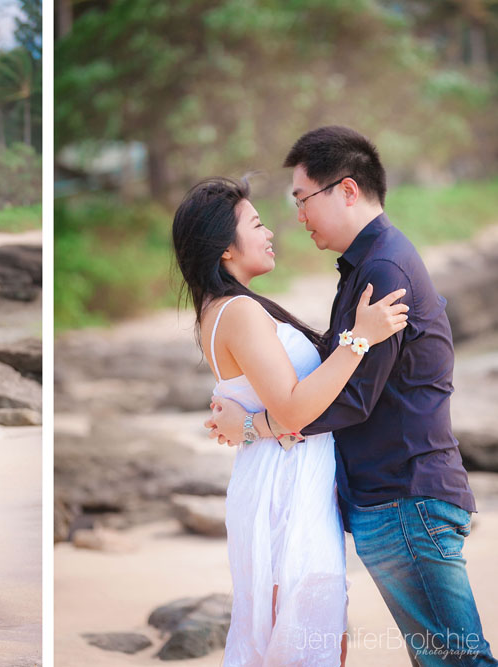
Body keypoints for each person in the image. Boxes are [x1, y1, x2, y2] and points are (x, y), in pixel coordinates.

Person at [207, 126, 496, 665]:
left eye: (301, 200)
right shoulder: (367, 265)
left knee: (458, 660)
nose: (297, 217)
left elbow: (353, 399)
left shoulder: (382, 268)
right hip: (397, 495)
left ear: (344, 190)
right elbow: (335, 363)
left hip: (405, 496)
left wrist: (252, 426)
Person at [172, 176, 408, 665]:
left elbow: (276, 408)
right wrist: (359, 339)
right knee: (302, 640)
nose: (270, 233)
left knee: (307, 636)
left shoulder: (232, 309)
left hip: (289, 483)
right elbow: (295, 408)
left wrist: (253, 424)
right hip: (284, 495)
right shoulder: (237, 312)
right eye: (256, 224)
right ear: (224, 250)